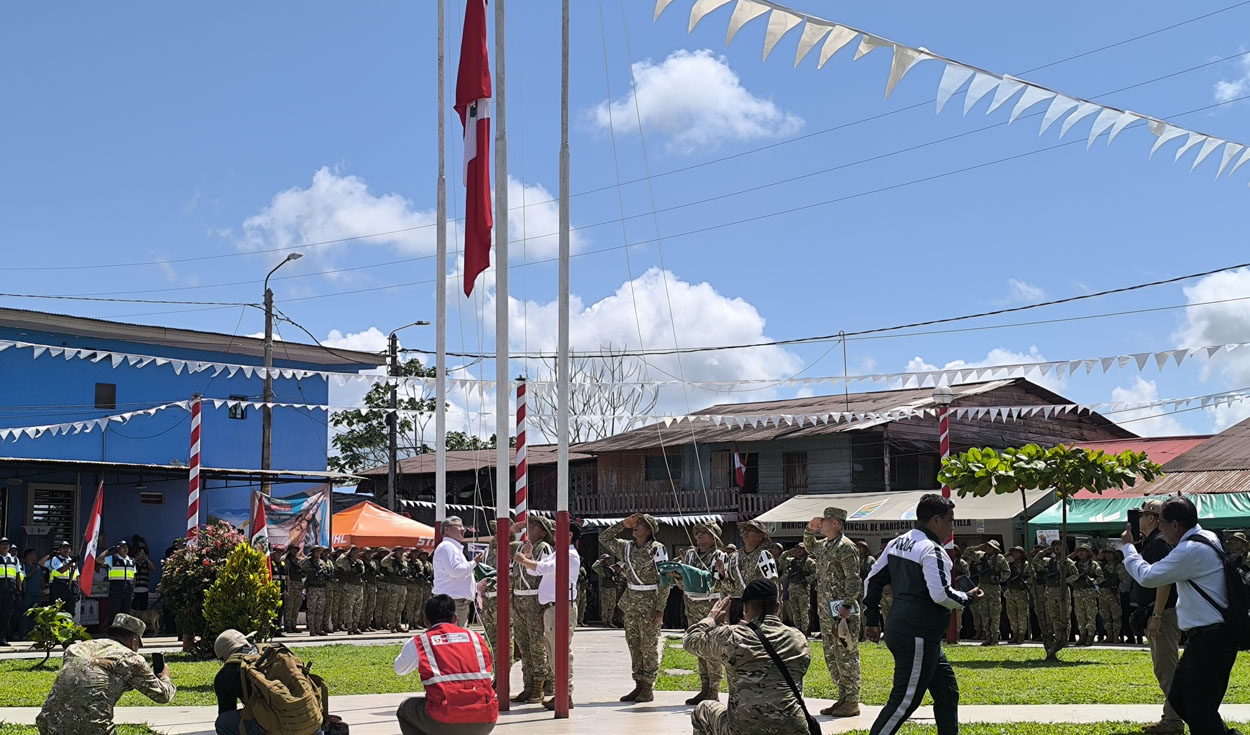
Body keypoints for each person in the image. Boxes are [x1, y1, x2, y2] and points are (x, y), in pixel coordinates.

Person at [1123, 496, 1241, 735]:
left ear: (1175, 525)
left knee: (1199, 710)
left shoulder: (1190, 550)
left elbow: (1149, 577)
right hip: (1205, 638)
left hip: (1212, 639)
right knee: (1182, 700)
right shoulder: (1206, 537)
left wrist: (1128, 549)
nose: (1161, 532)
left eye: (1162, 525)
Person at [863, 493, 979, 735]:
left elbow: (872, 580)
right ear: (936, 520)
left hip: (908, 629)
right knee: (905, 701)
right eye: (950, 521)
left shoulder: (897, 543)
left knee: (947, 692)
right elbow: (941, 595)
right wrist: (967, 597)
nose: (951, 527)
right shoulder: (932, 550)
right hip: (917, 633)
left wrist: (872, 618)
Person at [683, 578, 811, 735]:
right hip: (793, 729)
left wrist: (710, 620)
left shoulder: (732, 637)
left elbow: (690, 641)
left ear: (745, 607)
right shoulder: (798, 638)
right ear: (777, 607)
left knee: (702, 710)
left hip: (745, 730)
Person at [36, 613, 175, 735]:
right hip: (91, 729)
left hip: (49, 725)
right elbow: (163, 695)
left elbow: (89, 681)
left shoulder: (75, 648)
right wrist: (164, 676)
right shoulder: (130, 658)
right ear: (134, 642)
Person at [394, 594, 497, 735]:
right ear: (455, 618)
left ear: (425, 621)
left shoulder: (421, 642)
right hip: (485, 719)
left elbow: (399, 669)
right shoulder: (475, 638)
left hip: (444, 718)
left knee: (405, 709)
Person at [599, 513, 669, 704]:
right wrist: (622, 524)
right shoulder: (627, 547)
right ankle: (638, 684)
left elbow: (665, 580)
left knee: (648, 646)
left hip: (649, 603)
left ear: (649, 530)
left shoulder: (657, 549)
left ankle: (648, 687)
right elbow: (603, 538)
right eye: (634, 524)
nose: (635, 527)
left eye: (640, 524)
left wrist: (660, 608)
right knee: (634, 645)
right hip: (631, 603)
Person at [514, 522, 582, 710]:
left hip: (560, 608)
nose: (553, 534)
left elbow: (544, 568)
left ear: (568, 535)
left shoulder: (568, 554)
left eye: (557, 531)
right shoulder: (557, 553)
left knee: (560, 652)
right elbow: (537, 569)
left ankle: (565, 693)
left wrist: (524, 560)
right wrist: (528, 559)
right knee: (553, 653)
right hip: (552, 608)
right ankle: (562, 692)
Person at [1131, 499, 1183, 735]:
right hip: (1157, 611)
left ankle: (1174, 721)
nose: (1138, 519)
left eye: (1141, 515)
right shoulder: (1151, 542)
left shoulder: (1159, 543)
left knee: (1167, 668)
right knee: (1164, 667)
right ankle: (1172, 718)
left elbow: (1164, 580)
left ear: (1151, 517)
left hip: (1162, 612)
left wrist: (1157, 614)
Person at [803, 507, 861, 717]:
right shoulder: (826, 546)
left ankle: (852, 700)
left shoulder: (846, 547)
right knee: (832, 655)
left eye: (825, 521)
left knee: (846, 654)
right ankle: (843, 698)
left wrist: (846, 605)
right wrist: (809, 530)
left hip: (843, 612)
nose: (821, 523)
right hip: (827, 612)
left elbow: (853, 579)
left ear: (835, 523)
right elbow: (809, 547)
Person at [674, 522, 730, 705]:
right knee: (698, 647)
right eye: (699, 532)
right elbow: (684, 584)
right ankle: (704, 687)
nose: (700, 535)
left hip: (711, 606)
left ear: (714, 537)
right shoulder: (690, 555)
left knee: (712, 648)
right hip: (692, 604)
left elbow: (719, 582)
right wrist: (677, 576)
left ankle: (713, 690)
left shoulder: (719, 556)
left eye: (705, 533)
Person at [512, 515, 555, 704]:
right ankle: (528, 684)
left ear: (543, 533)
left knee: (537, 645)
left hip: (533, 600)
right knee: (523, 644)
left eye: (535, 525)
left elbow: (543, 573)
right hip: (519, 600)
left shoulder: (542, 548)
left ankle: (540, 684)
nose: (530, 527)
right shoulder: (522, 547)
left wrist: (542, 605)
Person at [212, 629, 265, 735]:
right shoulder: (270, 651)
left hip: (274, 723)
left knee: (223, 722)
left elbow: (226, 711)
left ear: (223, 657)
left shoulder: (225, 675)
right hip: (303, 715)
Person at [1031, 539, 1077, 660]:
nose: (1057, 548)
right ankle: (1056, 639)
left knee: (1064, 616)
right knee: (1053, 617)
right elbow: (1035, 562)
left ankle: (1063, 639)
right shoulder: (1048, 561)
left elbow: (1075, 574)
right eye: (1055, 546)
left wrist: (1065, 581)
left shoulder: (1067, 562)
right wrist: (1044, 552)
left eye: (1060, 546)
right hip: (1050, 591)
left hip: (1061, 591)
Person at [433, 517, 480, 628]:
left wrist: (476, 587)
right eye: (458, 526)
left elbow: (454, 577)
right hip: (453, 603)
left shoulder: (452, 548)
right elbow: (455, 571)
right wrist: (474, 563)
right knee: (454, 638)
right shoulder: (448, 547)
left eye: (462, 526)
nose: (463, 529)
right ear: (447, 530)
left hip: (456, 602)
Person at [963, 540, 1008, 645]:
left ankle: (995, 637)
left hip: (994, 588)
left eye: (990, 547)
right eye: (987, 547)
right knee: (984, 613)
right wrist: (977, 547)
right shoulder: (981, 556)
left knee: (995, 614)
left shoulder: (999, 558)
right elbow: (966, 553)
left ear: (995, 549)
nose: (987, 548)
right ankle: (987, 636)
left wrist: (998, 579)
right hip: (982, 587)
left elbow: (1007, 572)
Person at [1069, 544, 1104, 646]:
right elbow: (1064, 563)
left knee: (1090, 615)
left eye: (1083, 551)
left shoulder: (1093, 565)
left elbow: (1101, 577)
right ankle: (1082, 635)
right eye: (1079, 551)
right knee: (1080, 615)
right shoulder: (1075, 565)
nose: (1080, 553)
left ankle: (1090, 636)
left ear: (1088, 553)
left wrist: (1094, 581)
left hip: (1089, 593)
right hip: (1078, 592)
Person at [778, 545, 815, 637]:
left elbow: (817, 572)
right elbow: (781, 560)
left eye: (801, 549)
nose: (798, 551)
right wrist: (789, 552)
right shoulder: (792, 561)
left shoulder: (809, 562)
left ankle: (804, 632)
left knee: (804, 611)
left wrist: (807, 579)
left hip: (803, 588)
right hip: (792, 587)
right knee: (795, 611)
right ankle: (798, 630)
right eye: (797, 549)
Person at [1003, 546, 1033, 644]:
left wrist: (1025, 583)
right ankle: (1015, 633)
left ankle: (1021, 635)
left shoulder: (1026, 565)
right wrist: (1007, 554)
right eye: (1013, 552)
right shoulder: (1009, 564)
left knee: (1022, 615)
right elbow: (1000, 561)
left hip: (1021, 592)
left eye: (1017, 552)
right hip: (1010, 592)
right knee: (1012, 615)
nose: (1015, 554)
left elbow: (1032, 576)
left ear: (1021, 554)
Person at [301, 546, 334, 636]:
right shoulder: (308, 562)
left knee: (320, 610)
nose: (319, 554)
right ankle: (312, 629)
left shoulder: (322, 562)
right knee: (312, 610)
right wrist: (313, 572)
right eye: (317, 552)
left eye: (320, 552)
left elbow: (327, 571)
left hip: (322, 587)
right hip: (312, 588)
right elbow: (302, 570)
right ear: (313, 553)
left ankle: (318, 628)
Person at [100, 540, 137, 619]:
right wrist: (109, 550)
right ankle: (113, 630)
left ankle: (122, 631)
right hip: (116, 590)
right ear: (118, 549)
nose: (125, 549)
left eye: (126, 547)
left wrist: (133, 590)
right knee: (114, 613)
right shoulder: (112, 559)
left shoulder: (132, 560)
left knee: (126, 613)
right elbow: (98, 560)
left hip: (128, 591)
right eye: (123, 547)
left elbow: (133, 577)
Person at [335, 546, 366, 635]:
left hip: (358, 587)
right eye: (353, 552)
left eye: (357, 552)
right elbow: (338, 562)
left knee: (358, 608)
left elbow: (362, 572)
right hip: (349, 587)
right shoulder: (345, 561)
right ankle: (349, 627)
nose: (355, 554)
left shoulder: (359, 562)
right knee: (349, 608)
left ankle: (355, 626)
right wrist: (345, 553)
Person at [1098, 547, 1124, 643]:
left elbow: (1124, 580)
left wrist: (1118, 590)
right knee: (1105, 615)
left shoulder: (1118, 566)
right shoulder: (1102, 566)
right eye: (1106, 553)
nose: (1108, 556)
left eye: (1110, 553)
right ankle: (1109, 635)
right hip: (1103, 593)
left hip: (1114, 593)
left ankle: (1116, 635)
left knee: (1116, 615)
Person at [0, 538, 23, 645]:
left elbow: (18, 575)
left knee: (6, 615)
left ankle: (2, 638)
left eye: (7, 544)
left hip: (10, 591)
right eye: (3, 544)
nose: (5, 546)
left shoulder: (14, 559)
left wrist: (19, 589)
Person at [592, 553, 624, 628]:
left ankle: (609, 621)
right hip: (606, 589)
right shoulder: (602, 569)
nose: (608, 561)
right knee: (605, 606)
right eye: (606, 559)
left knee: (612, 606)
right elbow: (594, 567)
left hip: (612, 588)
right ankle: (605, 622)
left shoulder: (611, 568)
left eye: (609, 559)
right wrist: (599, 560)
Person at [43, 541, 79, 608]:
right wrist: (71, 563)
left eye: (68, 548)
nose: (66, 549)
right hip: (58, 588)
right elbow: (61, 570)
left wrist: (78, 591)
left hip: (71, 589)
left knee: (70, 612)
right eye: (64, 547)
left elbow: (77, 576)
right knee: (58, 611)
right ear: (59, 550)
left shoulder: (72, 560)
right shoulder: (55, 559)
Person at [19, 548, 44, 639]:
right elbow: (24, 578)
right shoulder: (23, 566)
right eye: (33, 554)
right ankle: (24, 633)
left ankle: (34, 633)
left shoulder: (38, 566)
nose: (35, 556)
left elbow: (41, 579)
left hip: (37, 593)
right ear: (29, 555)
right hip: (28, 593)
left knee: (35, 615)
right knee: (25, 614)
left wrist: (43, 589)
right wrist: (32, 572)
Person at [282, 545, 305, 634]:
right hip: (290, 585)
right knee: (289, 607)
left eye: (296, 550)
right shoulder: (286, 561)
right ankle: (288, 626)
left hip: (298, 586)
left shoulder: (298, 562)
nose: (295, 551)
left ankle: (293, 625)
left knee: (296, 607)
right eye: (293, 550)